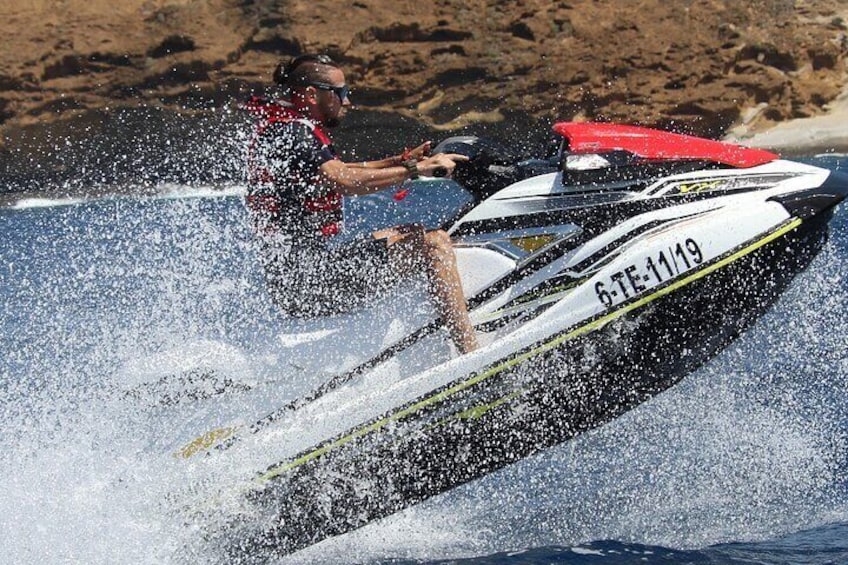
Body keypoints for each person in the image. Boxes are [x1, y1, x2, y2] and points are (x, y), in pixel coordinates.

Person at [244, 54, 478, 354]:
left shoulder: (286, 127)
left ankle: (435, 327)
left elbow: (344, 168)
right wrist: (414, 170)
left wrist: (399, 161)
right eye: (340, 93)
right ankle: (471, 354)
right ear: (312, 95)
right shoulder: (296, 133)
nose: (348, 101)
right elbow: (344, 180)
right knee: (435, 244)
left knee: (410, 231)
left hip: (302, 277)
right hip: (310, 284)